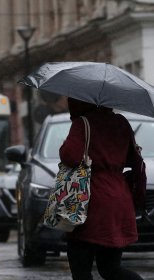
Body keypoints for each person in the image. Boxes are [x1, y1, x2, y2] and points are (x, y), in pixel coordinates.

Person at [60, 97, 144, 280]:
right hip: (119, 199)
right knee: (111, 268)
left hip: (90, 201)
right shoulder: (121, 122)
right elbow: (135, 160)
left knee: (81, 268)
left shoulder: (83, 123)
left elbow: (70, 157)